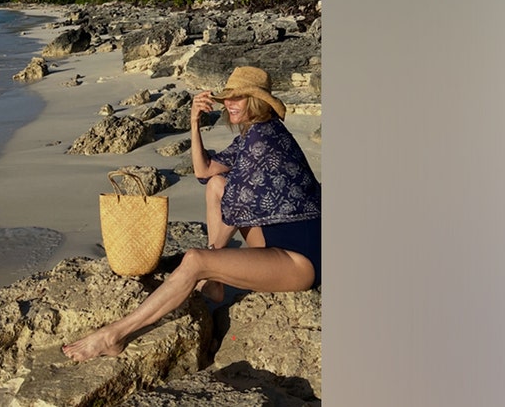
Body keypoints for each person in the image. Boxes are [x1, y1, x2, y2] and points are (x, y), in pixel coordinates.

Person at [62, 66, 321, 362]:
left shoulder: (263, 142)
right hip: (280, 244)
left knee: (196, 259)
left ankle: (114, 336)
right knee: (217, 184)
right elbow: (205, 171)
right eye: (227, 98)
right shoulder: (256, 133)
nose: (230, 104)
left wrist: (205, 258)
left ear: (257, 102)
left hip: (301, 263)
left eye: (239, 98)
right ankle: (214, 280)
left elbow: (236, 206)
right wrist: (194, 122)